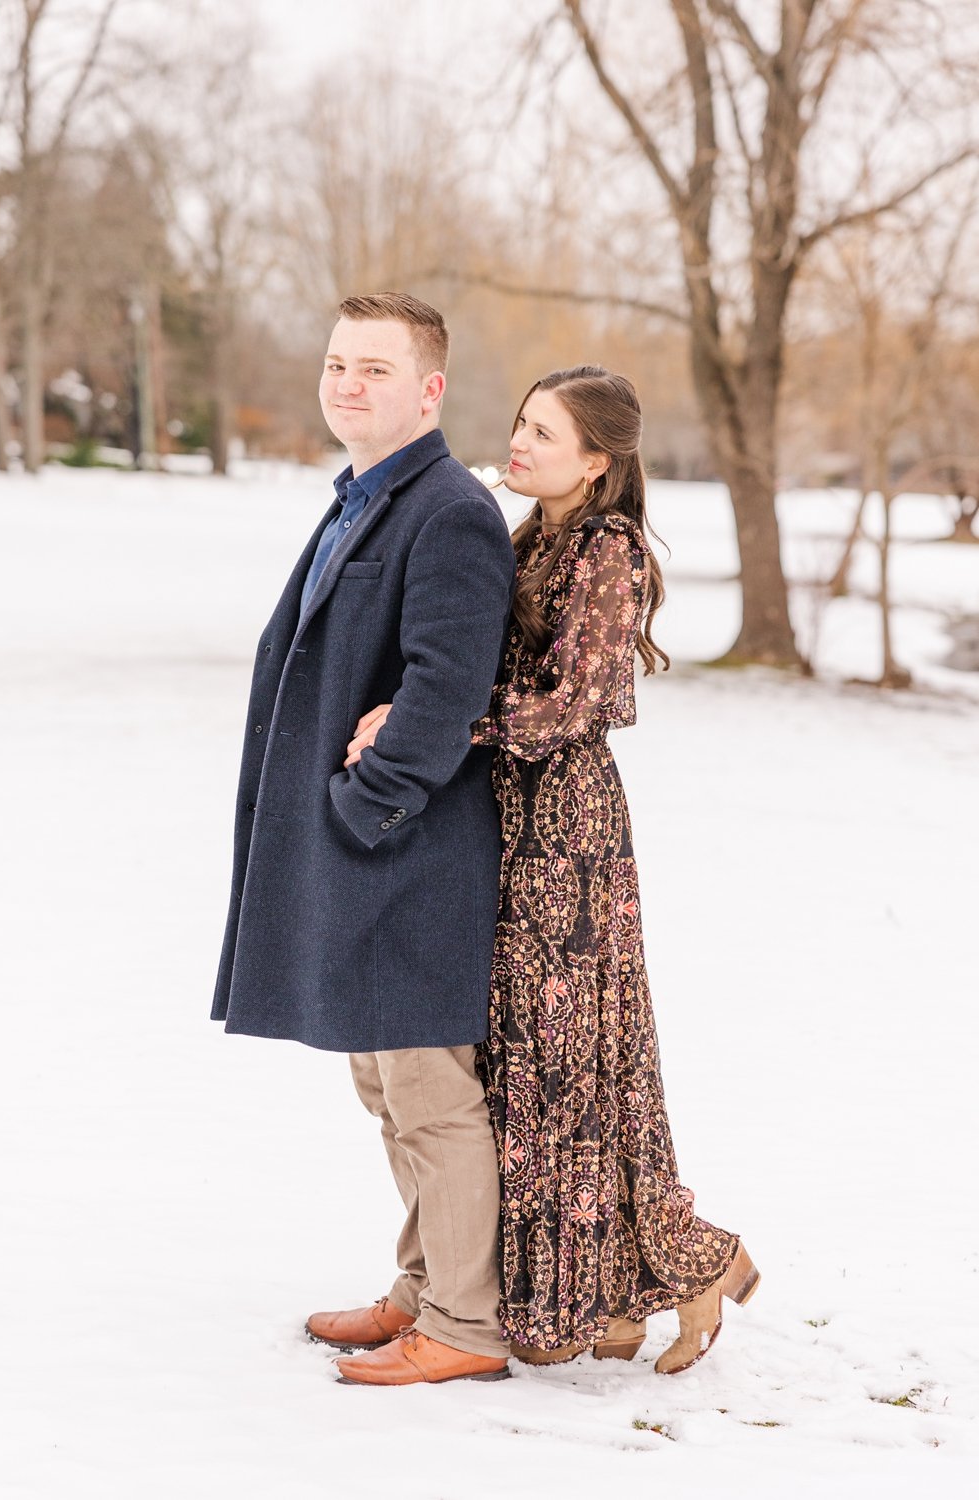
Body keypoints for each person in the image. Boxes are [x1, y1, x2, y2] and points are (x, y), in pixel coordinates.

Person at [211, 292, 516, 1387]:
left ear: (429, 389)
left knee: (431, 1091)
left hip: (413, 854)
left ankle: (467, 1327)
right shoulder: (363, 498)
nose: (348, 383)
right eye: (339, 363)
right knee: (386, 1086)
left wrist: (366, 807)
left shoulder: (450, 512)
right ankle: (422, 1288)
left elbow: (446, 686)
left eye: (376, 369)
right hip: (367, 854)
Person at [470, 366, 759, 1373]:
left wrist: (455, 727)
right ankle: (609, 1298)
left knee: (577, 1063)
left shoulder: (604, 547)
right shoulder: (534, 536)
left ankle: (696, 1264)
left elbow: (585, 702)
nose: (518, 442)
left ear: (597, 460)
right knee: (549, 1066)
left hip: (569, 831)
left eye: (541, 433)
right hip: (516, 819)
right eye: (518, 422)